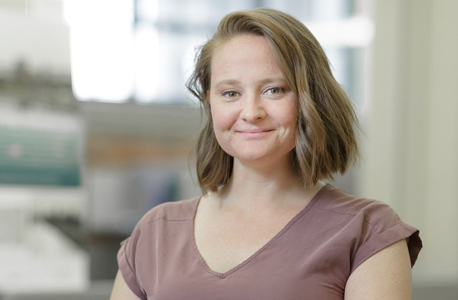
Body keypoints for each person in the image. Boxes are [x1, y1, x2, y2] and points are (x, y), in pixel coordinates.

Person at [110, 8, 422, 300]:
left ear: (310, 100)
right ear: (209, 103)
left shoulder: (368, 231)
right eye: (230, 93)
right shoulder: (156, 231)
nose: (251, 112)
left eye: (274, 90)